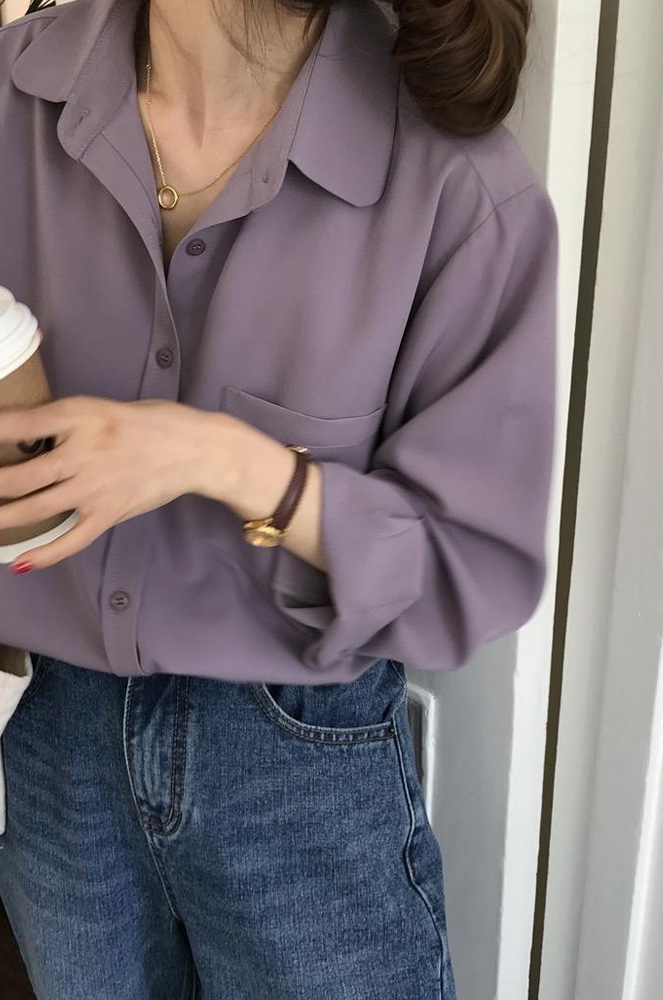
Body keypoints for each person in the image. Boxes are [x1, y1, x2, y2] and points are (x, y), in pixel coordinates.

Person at [0, 0, 558, 994]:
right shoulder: (14, 98)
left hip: (300, 766)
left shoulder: (460, 190)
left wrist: (222, 459)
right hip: (62, 748)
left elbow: (469, 567)